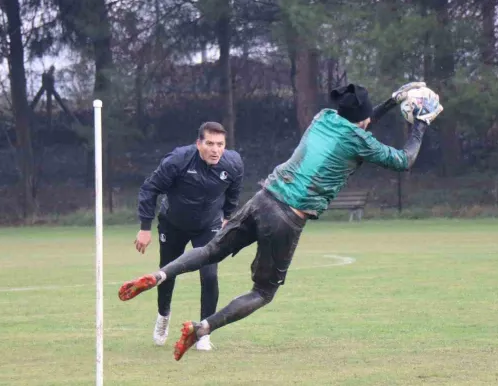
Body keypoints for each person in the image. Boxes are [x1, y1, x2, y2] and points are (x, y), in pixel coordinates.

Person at [119, 82, 443, 360]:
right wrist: (421, 123)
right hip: (287, 217)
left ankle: (161, 274)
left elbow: (360, 121)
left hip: (264, 196)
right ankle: (202, 328)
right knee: (262, 292)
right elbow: (404, 160)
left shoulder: (324, 118)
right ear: (364, 118)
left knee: (210, 250)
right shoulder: (360, 140)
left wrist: (393, 100)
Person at [134, 121, 244, 351]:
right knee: (167, 273)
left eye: (220, 144)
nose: (215, 149)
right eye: (210, 143)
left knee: (210, 275)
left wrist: (228, 215)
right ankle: (163, 316)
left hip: (208, 226)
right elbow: (149, 188)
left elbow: (234, 190)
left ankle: (204, 331)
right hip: (173, 224)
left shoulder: (232, 164)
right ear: (198, 144)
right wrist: (145, 227)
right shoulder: (178, 160)